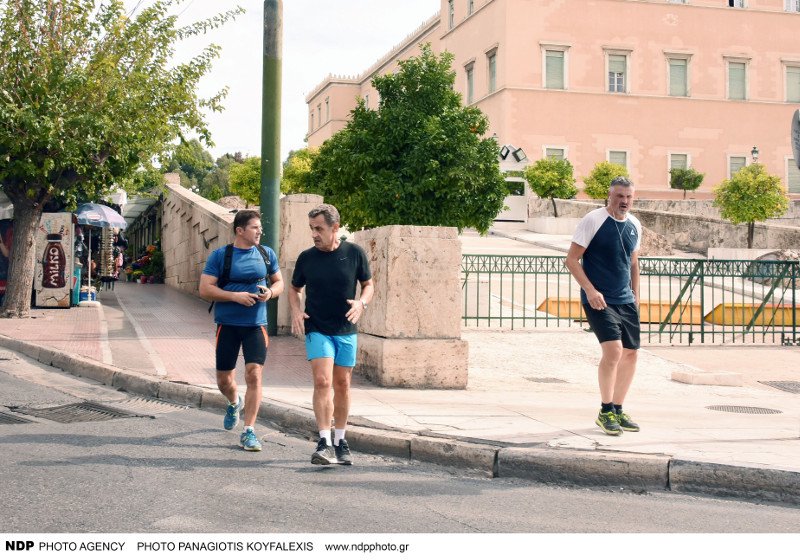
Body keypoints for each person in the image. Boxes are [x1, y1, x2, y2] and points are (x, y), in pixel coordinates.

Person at [288, 204, 374, 465]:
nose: (314, 234)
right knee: (323, 382)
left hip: (346, 329)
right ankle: (324, 441)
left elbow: (368, 284)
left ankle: (340, 440)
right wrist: (295, 311)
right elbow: (294, 288)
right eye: (312, 229)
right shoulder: (307, 258)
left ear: (335, 228)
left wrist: (362, 303)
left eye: (319, 229)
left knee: (343, 385)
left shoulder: (354, 253)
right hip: (318, 327)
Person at [199, 210, 284, 452]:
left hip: (256, 325)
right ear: (240, 230)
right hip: (227, 325)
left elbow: (279, 283)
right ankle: (233, 402)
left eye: (260, 228)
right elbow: (205, 289)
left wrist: (270, 293)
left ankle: (249, 431)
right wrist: (234, 296)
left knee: (253, 374)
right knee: (224, 381)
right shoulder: (220, 256)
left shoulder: (266, 254)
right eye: (255, 228)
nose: (260, 232)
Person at [565, 176, 642, 436]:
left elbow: (633, 263)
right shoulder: (593, 220)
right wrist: (590, 290)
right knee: (614, 352)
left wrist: (636, 296)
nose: (624, 201)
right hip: (599, 299)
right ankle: (605, 410)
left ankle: (618, 410)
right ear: (610, 196)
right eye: (620, 196)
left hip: (626, 299)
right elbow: (572, 260)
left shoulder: (634, 225)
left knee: (631, 353)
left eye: (629, 196)